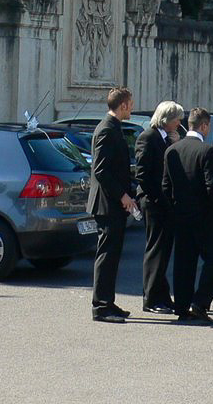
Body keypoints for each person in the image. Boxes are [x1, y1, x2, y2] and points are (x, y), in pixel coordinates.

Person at [162, 108, 213, 324]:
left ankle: (182, 306)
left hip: (181, 215)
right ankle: (200, 303)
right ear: (203, 126)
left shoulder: (172, 150)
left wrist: (175, 209)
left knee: (184, 262)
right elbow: (212, 186)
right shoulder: (206, 151)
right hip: (206, 216)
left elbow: (166, 186)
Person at [88, 86, 138, 322]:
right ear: (123, 105)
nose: (132, 108)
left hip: (114, 203)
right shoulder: (107, 129)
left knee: (113, 255)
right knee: (106, 255)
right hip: (107, 204)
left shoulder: (113, 127)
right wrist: (122, 196)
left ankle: (108, 301)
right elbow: (101, 170)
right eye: (131, 104)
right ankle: (101, 306)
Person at [133, 100, 184, 313]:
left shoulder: (165, 138)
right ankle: (151, 298)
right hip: (154, 203)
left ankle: (162, 295)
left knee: (163, 252)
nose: (179, 124)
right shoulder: (148, 137)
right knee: (156, 250)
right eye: (177, 120)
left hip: (165, 203)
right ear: (166, 119)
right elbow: (143, 174)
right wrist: (159, 200)